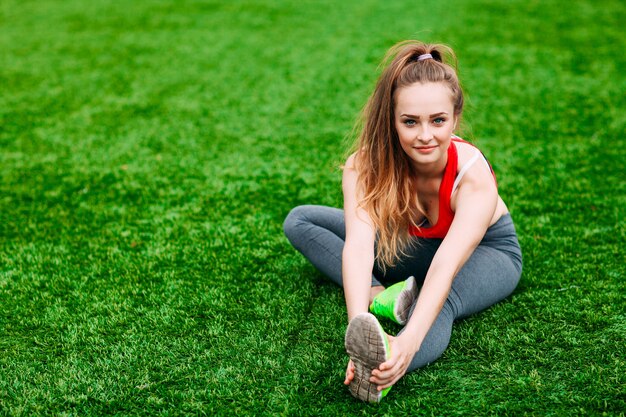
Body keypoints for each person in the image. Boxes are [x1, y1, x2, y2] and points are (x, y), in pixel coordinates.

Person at [283, 40, 522, 403]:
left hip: (487, 253)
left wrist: (404, 346)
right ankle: (384, 297)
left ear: (455, 118)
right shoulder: (363, 165)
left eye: (438, 120)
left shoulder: (473, 176)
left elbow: (444, 266)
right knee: (301, 220)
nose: (425, 136)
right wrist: (358, 329)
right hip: (414, 246)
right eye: (410, 122)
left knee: (439, 301)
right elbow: (359, 248)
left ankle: (386, 369)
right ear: (392, 120)